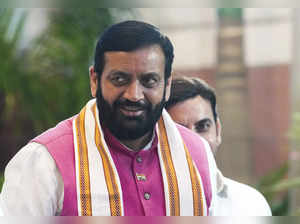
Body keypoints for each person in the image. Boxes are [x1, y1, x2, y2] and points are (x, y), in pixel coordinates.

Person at [0, 21, 218, 216]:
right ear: (95, 80)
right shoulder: (42, 162)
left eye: (149, 81)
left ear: (167, 85)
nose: (134, 94)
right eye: (119, 79)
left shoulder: (197, 153)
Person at [166, 77, 272, 216]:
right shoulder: (147, 207)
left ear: (218, 130)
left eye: (203, 127)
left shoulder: (251, 203)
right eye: (180, 131)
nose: (194, 141)